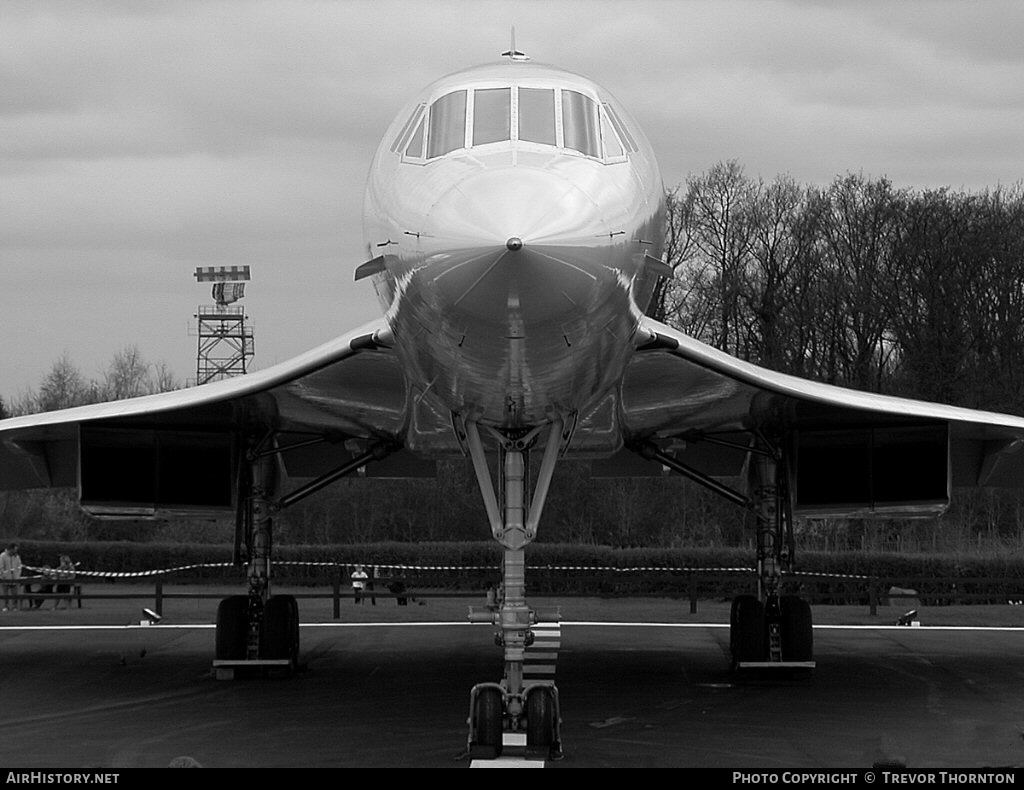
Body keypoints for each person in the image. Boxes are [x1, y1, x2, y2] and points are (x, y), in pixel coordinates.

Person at [1, 543, 22, 612]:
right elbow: (1, 567)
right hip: (5, 579)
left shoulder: (17, 557)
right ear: (11, 549)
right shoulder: (2, 556)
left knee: (15, 594)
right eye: (15, 550)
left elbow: (19, 566)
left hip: (15, 579)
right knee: (5, 594)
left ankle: (14, 607)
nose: (16, 551)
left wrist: (18, 575)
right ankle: (5, 606)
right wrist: (3, 575)